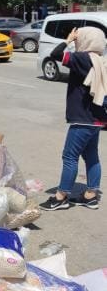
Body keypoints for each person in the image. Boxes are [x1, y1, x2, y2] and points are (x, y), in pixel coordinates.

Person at [40, 26, 107, 212]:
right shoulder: (100, 60)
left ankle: (61, 197)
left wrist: (68, 40)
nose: (77, 41)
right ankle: (91, 196)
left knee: (70, 156)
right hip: (98, 119)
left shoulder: (81, 58)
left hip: (82, 118)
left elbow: (55, 54)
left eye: (80, 38)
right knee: (91, 156)